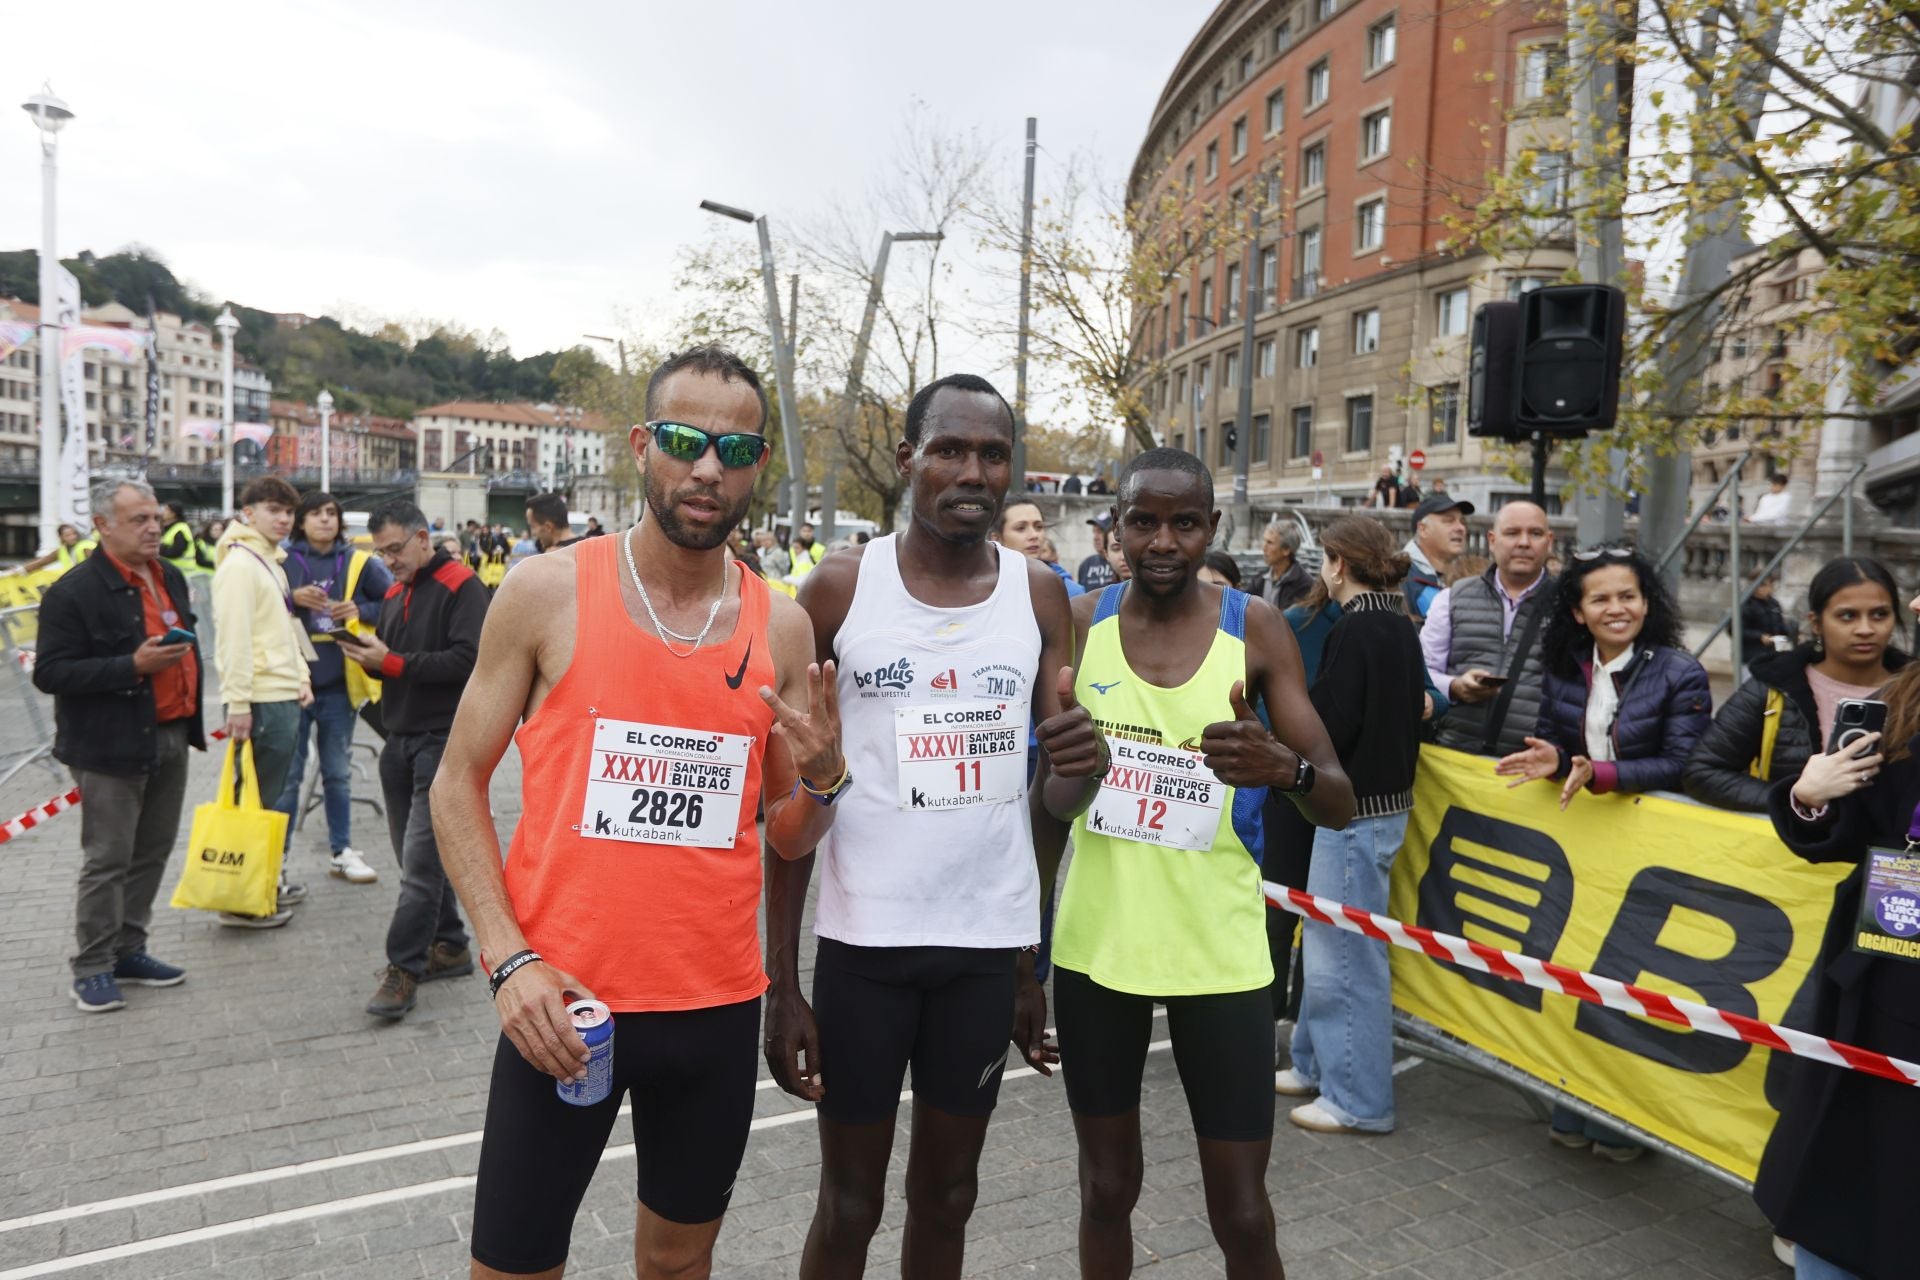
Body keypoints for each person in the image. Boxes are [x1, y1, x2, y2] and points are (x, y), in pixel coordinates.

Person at [433, 345, 845, 1278]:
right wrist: (510, 961)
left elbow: (785, 828)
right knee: (510, 1269)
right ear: (641, 446)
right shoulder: (545, 590)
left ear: (758, 467)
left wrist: (823, 783)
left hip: (712, 1010)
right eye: (684, 440)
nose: (707, 468)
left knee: (676, 1265)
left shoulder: (781, 624)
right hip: (562, 1005)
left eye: (733, 451)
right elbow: (456, 782)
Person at [764, 372, 1103, 1279]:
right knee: (849, 1204)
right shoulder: (839, 588)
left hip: (983, 954)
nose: (973, 471)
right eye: (950, 449)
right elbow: (796, 800)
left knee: (950, 1195)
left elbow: (1050, 805)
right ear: (911, 460)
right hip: (865, 949)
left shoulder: (1040, 597)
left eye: (993, 454)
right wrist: (781, 984)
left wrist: (1031, 956)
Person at [1051, 448, 1353, 1278]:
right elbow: (1049, 808)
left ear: (1212, 529)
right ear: (1114, 527)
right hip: (1096, 950)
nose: (1161, 541)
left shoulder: (1253, 627)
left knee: (1243, 1212)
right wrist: (1069, 776)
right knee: (1106, 1190)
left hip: (1220, 954)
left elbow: (1336, 796)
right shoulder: (1079, 623)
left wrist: (1280, 769)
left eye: (1184, 523)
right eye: (1142, 520)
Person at [1494, 545, 1710, 1160]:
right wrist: (1556, 761)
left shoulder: (1679, 671)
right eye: (1601, 599)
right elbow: (1560, 747)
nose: (1617, 608)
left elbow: (1686, 765)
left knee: (1626, 993)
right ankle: (1571, 1107)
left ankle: (1620, 1125)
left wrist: (1603, 774)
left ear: (1648, 603)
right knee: (1573, 982)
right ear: (1579, 612)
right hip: (1582, 856)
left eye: (1628, 596)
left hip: (1648, 860)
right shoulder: (1565, 667)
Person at [1756, 594, 1920, 1280]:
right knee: (1846, 1189)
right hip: (1882, 982)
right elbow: (1846, 837)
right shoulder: (1902, 701)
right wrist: (1812, 794)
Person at [1274, 517, 1425, 1135]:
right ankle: (1313, 1062)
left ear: (1338, 564)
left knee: (1344, 954)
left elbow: (1333, 722)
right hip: (1375, 805)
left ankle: (1358, 1099)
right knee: (1328, 941)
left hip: (1356, 810)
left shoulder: (1360, 627)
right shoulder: (1397, 624)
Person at [34, 480, 204, 1012]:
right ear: (103, 526)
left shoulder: (169, 574)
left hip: (172, 733)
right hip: (109, 745)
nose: (153, 527)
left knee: (152, 850)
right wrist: (131, 666)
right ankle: (91, 965)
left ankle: (130, 949)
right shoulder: (73, 591)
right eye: (138, 520)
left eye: (155, 517)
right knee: (108, 858)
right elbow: (51, 672)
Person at [335, 500, 488, 1020]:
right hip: (398, 743)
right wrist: (372, 656)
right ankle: (449, 944)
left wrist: (391, 661)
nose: (389, 561)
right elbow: (400, 668)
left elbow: (471, 662)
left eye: (395, 549)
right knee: (415, 861)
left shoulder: (461, 586)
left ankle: (403, 969)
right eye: (380, 552)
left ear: (424, 538)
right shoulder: (398, 591)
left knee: (420, 868)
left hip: (442, 744)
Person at [1687, 558, 1905, 812]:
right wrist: (1795, 796)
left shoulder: (1913, 689)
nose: (1866, 629)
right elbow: (1702, 772)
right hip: (1794, 849)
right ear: (1816, 623)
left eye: (1879, 614)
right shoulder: (1773, 689)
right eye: (1847, 616)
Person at [211, 476, 317, 929]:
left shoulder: (267, 561)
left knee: (272, 799)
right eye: (273, 509)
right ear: (247, 511)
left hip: (280, 693)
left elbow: (284, 628)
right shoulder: (240, 565)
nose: (284, 519)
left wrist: (301, 675)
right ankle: (242, 899)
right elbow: (233, 640)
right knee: (255, 801)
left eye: (289, 511)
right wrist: (236, 703)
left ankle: (266, 882)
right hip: (259, 699)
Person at [278, 490, 392, 885]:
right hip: (291, 684)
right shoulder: (282, 562)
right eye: (315, 513)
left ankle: (341, 851)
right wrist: (291, 597)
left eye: (331, 513)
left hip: (339, 686)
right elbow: (258, 607)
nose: (325, 519)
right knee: (288, 776)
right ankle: (277, 859)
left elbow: (395, 600)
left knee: (337, 772)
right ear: (301, 521)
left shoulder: (359, 562)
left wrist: (362, 610)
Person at [1422, 501, 1556, 756]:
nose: (1524, 542)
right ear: (1492, 540)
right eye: (1512, 533)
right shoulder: (1452, 598)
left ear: (1549, 541)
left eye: (1535, 534)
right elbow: (1422, 674)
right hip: (1454, 759)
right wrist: (1454, 686)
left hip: (1533, 765)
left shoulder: (1569, 606)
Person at [1402, 495, 1475, 622]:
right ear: (1423, 529)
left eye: (1462, 522)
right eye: (1449, 521)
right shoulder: (1401, 577)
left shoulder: (1468, 576)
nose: (1461, 528)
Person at [1000, 498, 1085, 598]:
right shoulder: (983, 588)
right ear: (996, 538)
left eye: (1039, 527)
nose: (1034, 535)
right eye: (1021, 528)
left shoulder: (1070, 592)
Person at [1251, 518, 1313, 610]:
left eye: (1270, 543)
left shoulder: (1304, 585)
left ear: (1286, 550)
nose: (1264, 547)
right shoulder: (1260, 580)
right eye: (1264, 541)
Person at [1742, 573, 1798, 658]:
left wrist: (1793, 633)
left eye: (1764, 585)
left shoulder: (1774, 604)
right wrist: (1759, 637)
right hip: (1750, 655)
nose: (1759, 588)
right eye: (1758, 584)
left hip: (1771, 653)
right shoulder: (1745, 604)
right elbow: (1736, 631)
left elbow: (1779, 625)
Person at [157, 502, 199, 579]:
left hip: (182, 573)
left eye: (166, 509)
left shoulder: (180, 529)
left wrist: (159, 547)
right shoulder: (170, 528)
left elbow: (176, 551)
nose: (163, 512)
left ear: (173, 514)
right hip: (172, 572)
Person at [1078, 513, 1118, 591]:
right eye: (1094, 531)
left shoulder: (1122, 562)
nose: (1095, 537)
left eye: (1100, 531)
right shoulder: (1086, 564)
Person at [787, 520, 826, 588]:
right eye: (804, 531)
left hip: (813, 582)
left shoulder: (821, 549)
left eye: (809, 531)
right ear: (800, 532)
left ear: (813, 532)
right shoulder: (792, 548)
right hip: (794, 583)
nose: (806, 533)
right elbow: (791, 566)